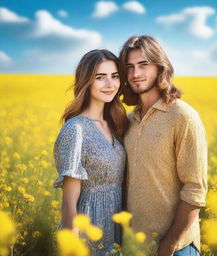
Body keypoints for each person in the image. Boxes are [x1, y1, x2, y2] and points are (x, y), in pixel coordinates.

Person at [119, 35, 208, 256]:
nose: (135, 74)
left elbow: (195, 190)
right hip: (136, 246)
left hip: (177, 248)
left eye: (143, 65)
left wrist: (168, 246)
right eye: (129, 67)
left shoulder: (183, 116)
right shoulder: (128, 121)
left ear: (160, 67)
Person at [53, 49, 127, 255]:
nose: (110, 84)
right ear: (86, 81)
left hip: (115, 230)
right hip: (87, 232)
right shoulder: (75, 129)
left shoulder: (115, 124)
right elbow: (68, 202)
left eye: (115, 76)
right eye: (100, 78)